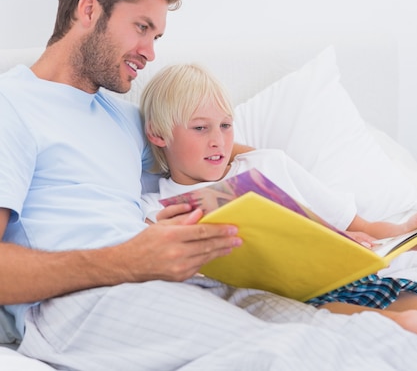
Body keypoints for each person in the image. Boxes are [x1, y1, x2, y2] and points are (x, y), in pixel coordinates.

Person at [1, 0, 417, 371]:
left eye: (156, 35)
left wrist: (280, 193)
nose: (150, 52)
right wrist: (128, 259)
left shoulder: (123, 119)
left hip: (168, 279)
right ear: (88, 11)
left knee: (377, 334)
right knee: (293, 353)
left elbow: (206, 149)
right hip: (78, 305)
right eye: (141, 27)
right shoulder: (11, 106)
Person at [139, 61, 417, 333]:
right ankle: (396, 326)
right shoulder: (156, 208)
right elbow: (160, 266)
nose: (218, 141)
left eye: (225, 125)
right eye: (200, 128)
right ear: (157, 133)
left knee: (402, 305)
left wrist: (404, 232)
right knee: (328, 313)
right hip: (280, 301)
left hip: (341, 276)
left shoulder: (266, 164)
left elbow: (361, 227)